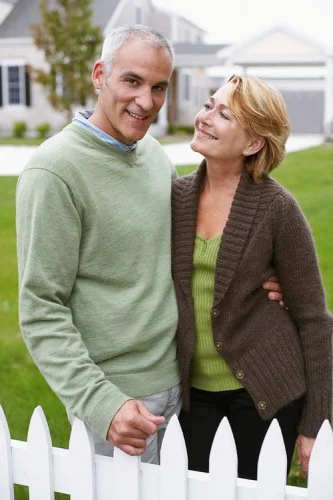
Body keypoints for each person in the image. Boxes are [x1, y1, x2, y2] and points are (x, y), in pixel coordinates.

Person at [16, 25, 283, 464]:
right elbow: (41, 309)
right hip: (119, 399)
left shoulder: (154, 156)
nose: (147, 101)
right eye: (132, 81)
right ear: (100, 74)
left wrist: (270, 281)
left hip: (183, 383)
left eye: (159, 87)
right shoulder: (54, 173)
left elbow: (192, 251)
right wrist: (104, 405)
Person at [171, 74, 333, 480]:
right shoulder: (175, 198)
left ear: (253, 143)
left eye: (224, 114)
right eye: (209, 105)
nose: (205, 117)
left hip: (265, 392)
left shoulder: (278, 209)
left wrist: (316, 424)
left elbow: (314, 319)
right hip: (195, 394)